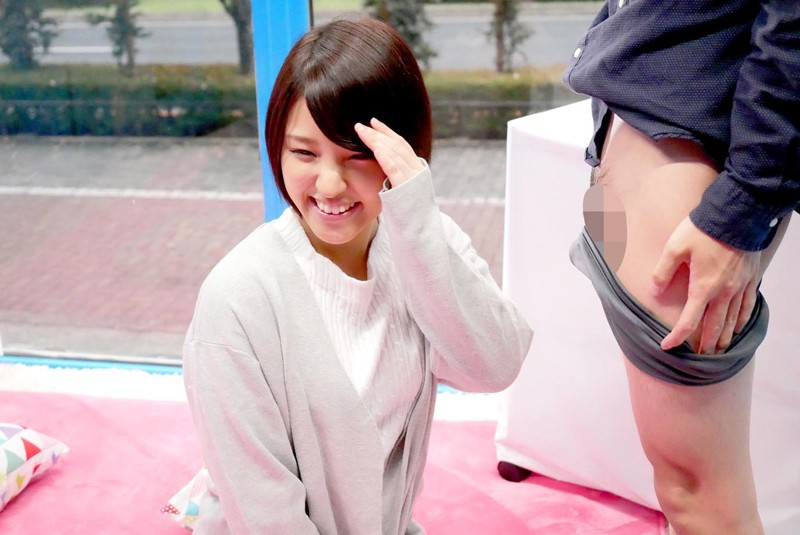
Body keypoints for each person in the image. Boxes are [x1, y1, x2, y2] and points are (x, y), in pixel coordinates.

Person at [180, 17, 533, 534]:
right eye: (303, 152)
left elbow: (494, 366)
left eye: (358, 155)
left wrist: (416, 213)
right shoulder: (237, 298)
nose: (328, 184)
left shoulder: (422, 242)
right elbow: (266, 515)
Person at [564, 1, 799, 534]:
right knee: (686, 489)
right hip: (651, 152)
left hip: (687, 189)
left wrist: (745, 204)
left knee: (699, 495)